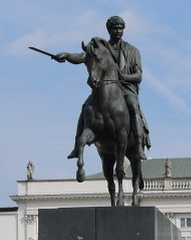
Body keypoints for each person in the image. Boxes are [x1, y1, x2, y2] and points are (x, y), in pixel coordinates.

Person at [53, 16, 149, 160]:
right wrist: (66, 55)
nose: (118, 31)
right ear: (108, 30)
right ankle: (76, 146)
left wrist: (124, 77)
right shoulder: (101, 49)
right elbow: (82, 56)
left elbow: (138, 75)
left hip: (125, 88)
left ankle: (139, 145)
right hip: (104, 89)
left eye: (120, 28)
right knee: (85, 107)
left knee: (133, 106)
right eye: (114, 28)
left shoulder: (132, 51)